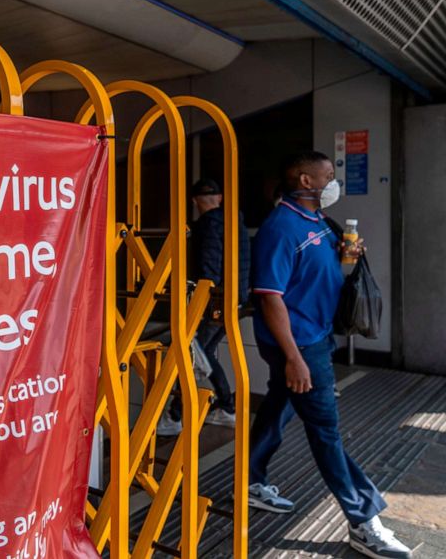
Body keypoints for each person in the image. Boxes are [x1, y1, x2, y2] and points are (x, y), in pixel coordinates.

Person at [249, 151, 412, 559]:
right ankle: (363, 520)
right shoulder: (280, 227)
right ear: (305, 180)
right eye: (328, 174)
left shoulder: (316, 222)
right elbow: (269, 298)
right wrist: (294, 358)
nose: (332, 181)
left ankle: (249, 477)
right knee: (325, 431)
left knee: (280, 403)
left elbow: (318, 273)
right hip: (300, 345)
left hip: (316, 336)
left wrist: (345, 257)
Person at [158, 178, 250, 435]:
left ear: (195, 201)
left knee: (193, 351)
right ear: (220, 198)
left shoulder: (207, 225)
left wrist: (202, 299)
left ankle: (177, 415)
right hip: (235, 299)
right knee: (204, 351)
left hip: (214, 302)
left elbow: (209, 268)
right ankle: (224, 408)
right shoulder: (236, 223)